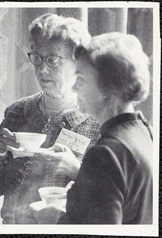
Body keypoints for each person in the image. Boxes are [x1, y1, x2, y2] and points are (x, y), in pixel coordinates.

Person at [0, 13, 101, 224]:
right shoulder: (17, 111)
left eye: (53, 60)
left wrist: (75, 170)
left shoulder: (96, 123)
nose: (42, 69)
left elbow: (109, 198)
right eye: (37, 58)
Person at [35, 32, 153, 224]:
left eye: (80, 79)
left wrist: (56, 220)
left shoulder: (105, 153)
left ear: (108, 87)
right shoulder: (147, 132)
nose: (74, 89)